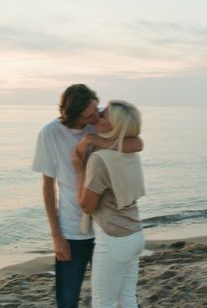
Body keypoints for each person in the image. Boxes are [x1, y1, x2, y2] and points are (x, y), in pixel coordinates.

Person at [32, 84, 143, 308]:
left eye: (97, 109)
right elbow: (47, 186)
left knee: (111, 297)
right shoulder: (49, 134)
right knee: (67, 298)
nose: (95, 116)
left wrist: (93, 140)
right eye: (90, 114)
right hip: (73, 229)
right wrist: (56, 235)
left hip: (106, 229)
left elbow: (136, 143)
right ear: (71, 115)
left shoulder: (103, 120)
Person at [72, 100, 145, 308]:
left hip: (114, 238)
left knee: (103, 303)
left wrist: (79, 170)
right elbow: (137, 142)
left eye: (103, 115)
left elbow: (87, 206)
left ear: (114, 127)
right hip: (135, 233)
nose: (98, 115)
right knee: (127, 298)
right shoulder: (129, 151)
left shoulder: (100, 159)